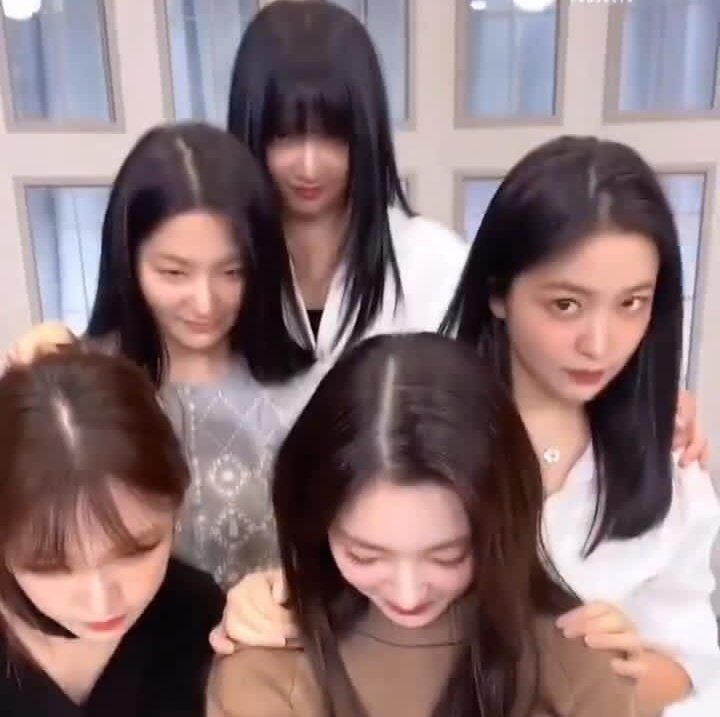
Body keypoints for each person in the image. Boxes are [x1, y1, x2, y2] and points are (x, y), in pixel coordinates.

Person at [210, 137, 719, 717]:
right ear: (498, 291)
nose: (599, 343)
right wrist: (268, 595)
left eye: (632, 303)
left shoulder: (670, 466)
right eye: (566, 305)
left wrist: (598, 673)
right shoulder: (407, 419)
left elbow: (694, 661)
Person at [208, 333, 636, 717]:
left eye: (448, 556)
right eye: (364, 555)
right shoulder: (269, 660)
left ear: (503, 521)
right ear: (315, 524)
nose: (408, 593)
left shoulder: (579, 661)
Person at [6, 122, 313, 588]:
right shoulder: (80, 387)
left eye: (232, 272)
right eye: (174, 273)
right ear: (128, 260)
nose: (205, 303)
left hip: (271, 632)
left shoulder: (311, 394)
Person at [227, 0, 468, 364]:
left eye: (334, 135)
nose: (309, 167)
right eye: (284, 135)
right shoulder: (215, 264)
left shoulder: (434, 263)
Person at [0, 349, 223, 716]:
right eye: (49, 567)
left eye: (135, 551)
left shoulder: (199, 617)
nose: (101, 603)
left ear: (178, 506)